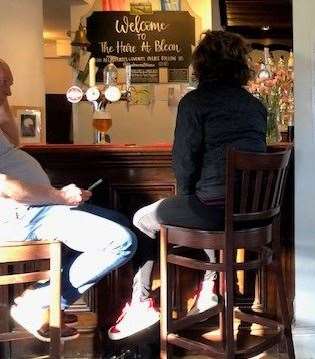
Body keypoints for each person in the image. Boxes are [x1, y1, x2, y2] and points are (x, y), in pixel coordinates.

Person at [107, 30, 267, 340]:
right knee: (205, 214)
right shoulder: (255, 105)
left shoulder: (194, 102)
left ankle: (140, 302)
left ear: (202, 64)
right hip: (256, 213)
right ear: (241, 65)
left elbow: (183, 162)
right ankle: (213, 283)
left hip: (212, 209)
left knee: (143, 219)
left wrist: (185, 199)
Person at [0, 59, 137, 342]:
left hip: (35, 209)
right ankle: (38, 302)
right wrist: (60, 196)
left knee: (120, 219)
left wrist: (0, 102)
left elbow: (14, 143)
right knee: (121, 241)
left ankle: (46, 300)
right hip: (21, 216)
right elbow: (7, 186)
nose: (10, 92)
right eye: (5, 84)